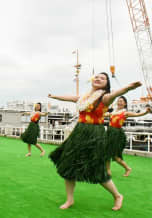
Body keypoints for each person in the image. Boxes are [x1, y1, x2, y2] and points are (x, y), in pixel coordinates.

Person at [48, 72, 141, 211]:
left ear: (106, 84)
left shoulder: (105, 97)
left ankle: (117, 195)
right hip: (79, 132)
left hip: (94, 135)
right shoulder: (84, 97)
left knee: (97, 169)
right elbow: (71, 98)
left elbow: (116, 93)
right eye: (96, 77)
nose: (98, 79)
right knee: (69, 166)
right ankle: (70, 199)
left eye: (102, 78)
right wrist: (54, 96)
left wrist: (128, 87)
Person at [105, 96, 151, 177]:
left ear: (125, 103)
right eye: (118, 101)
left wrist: (145, 112)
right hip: (109, 132)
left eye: (121, 101)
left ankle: (127, 168)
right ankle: (108, 171)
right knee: (106, 153)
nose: (119, 102)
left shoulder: (125, 113)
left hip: (116, 134)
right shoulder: (113, 111)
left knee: (115, 156)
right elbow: (104, 115)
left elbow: (137, 114)